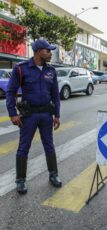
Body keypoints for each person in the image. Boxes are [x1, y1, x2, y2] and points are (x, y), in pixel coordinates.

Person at [6, 38, 62, 194]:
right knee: (23, 147)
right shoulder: (21, 68)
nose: (50, 54)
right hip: (29, 115)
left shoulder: (51, 70)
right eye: (47, 50)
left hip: (45, 115)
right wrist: (12, 114)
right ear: (38, 51)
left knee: (49, 145)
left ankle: (53, 174)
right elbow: (11, 92)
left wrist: (57, 114)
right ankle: (21, 180)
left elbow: (55, 95)